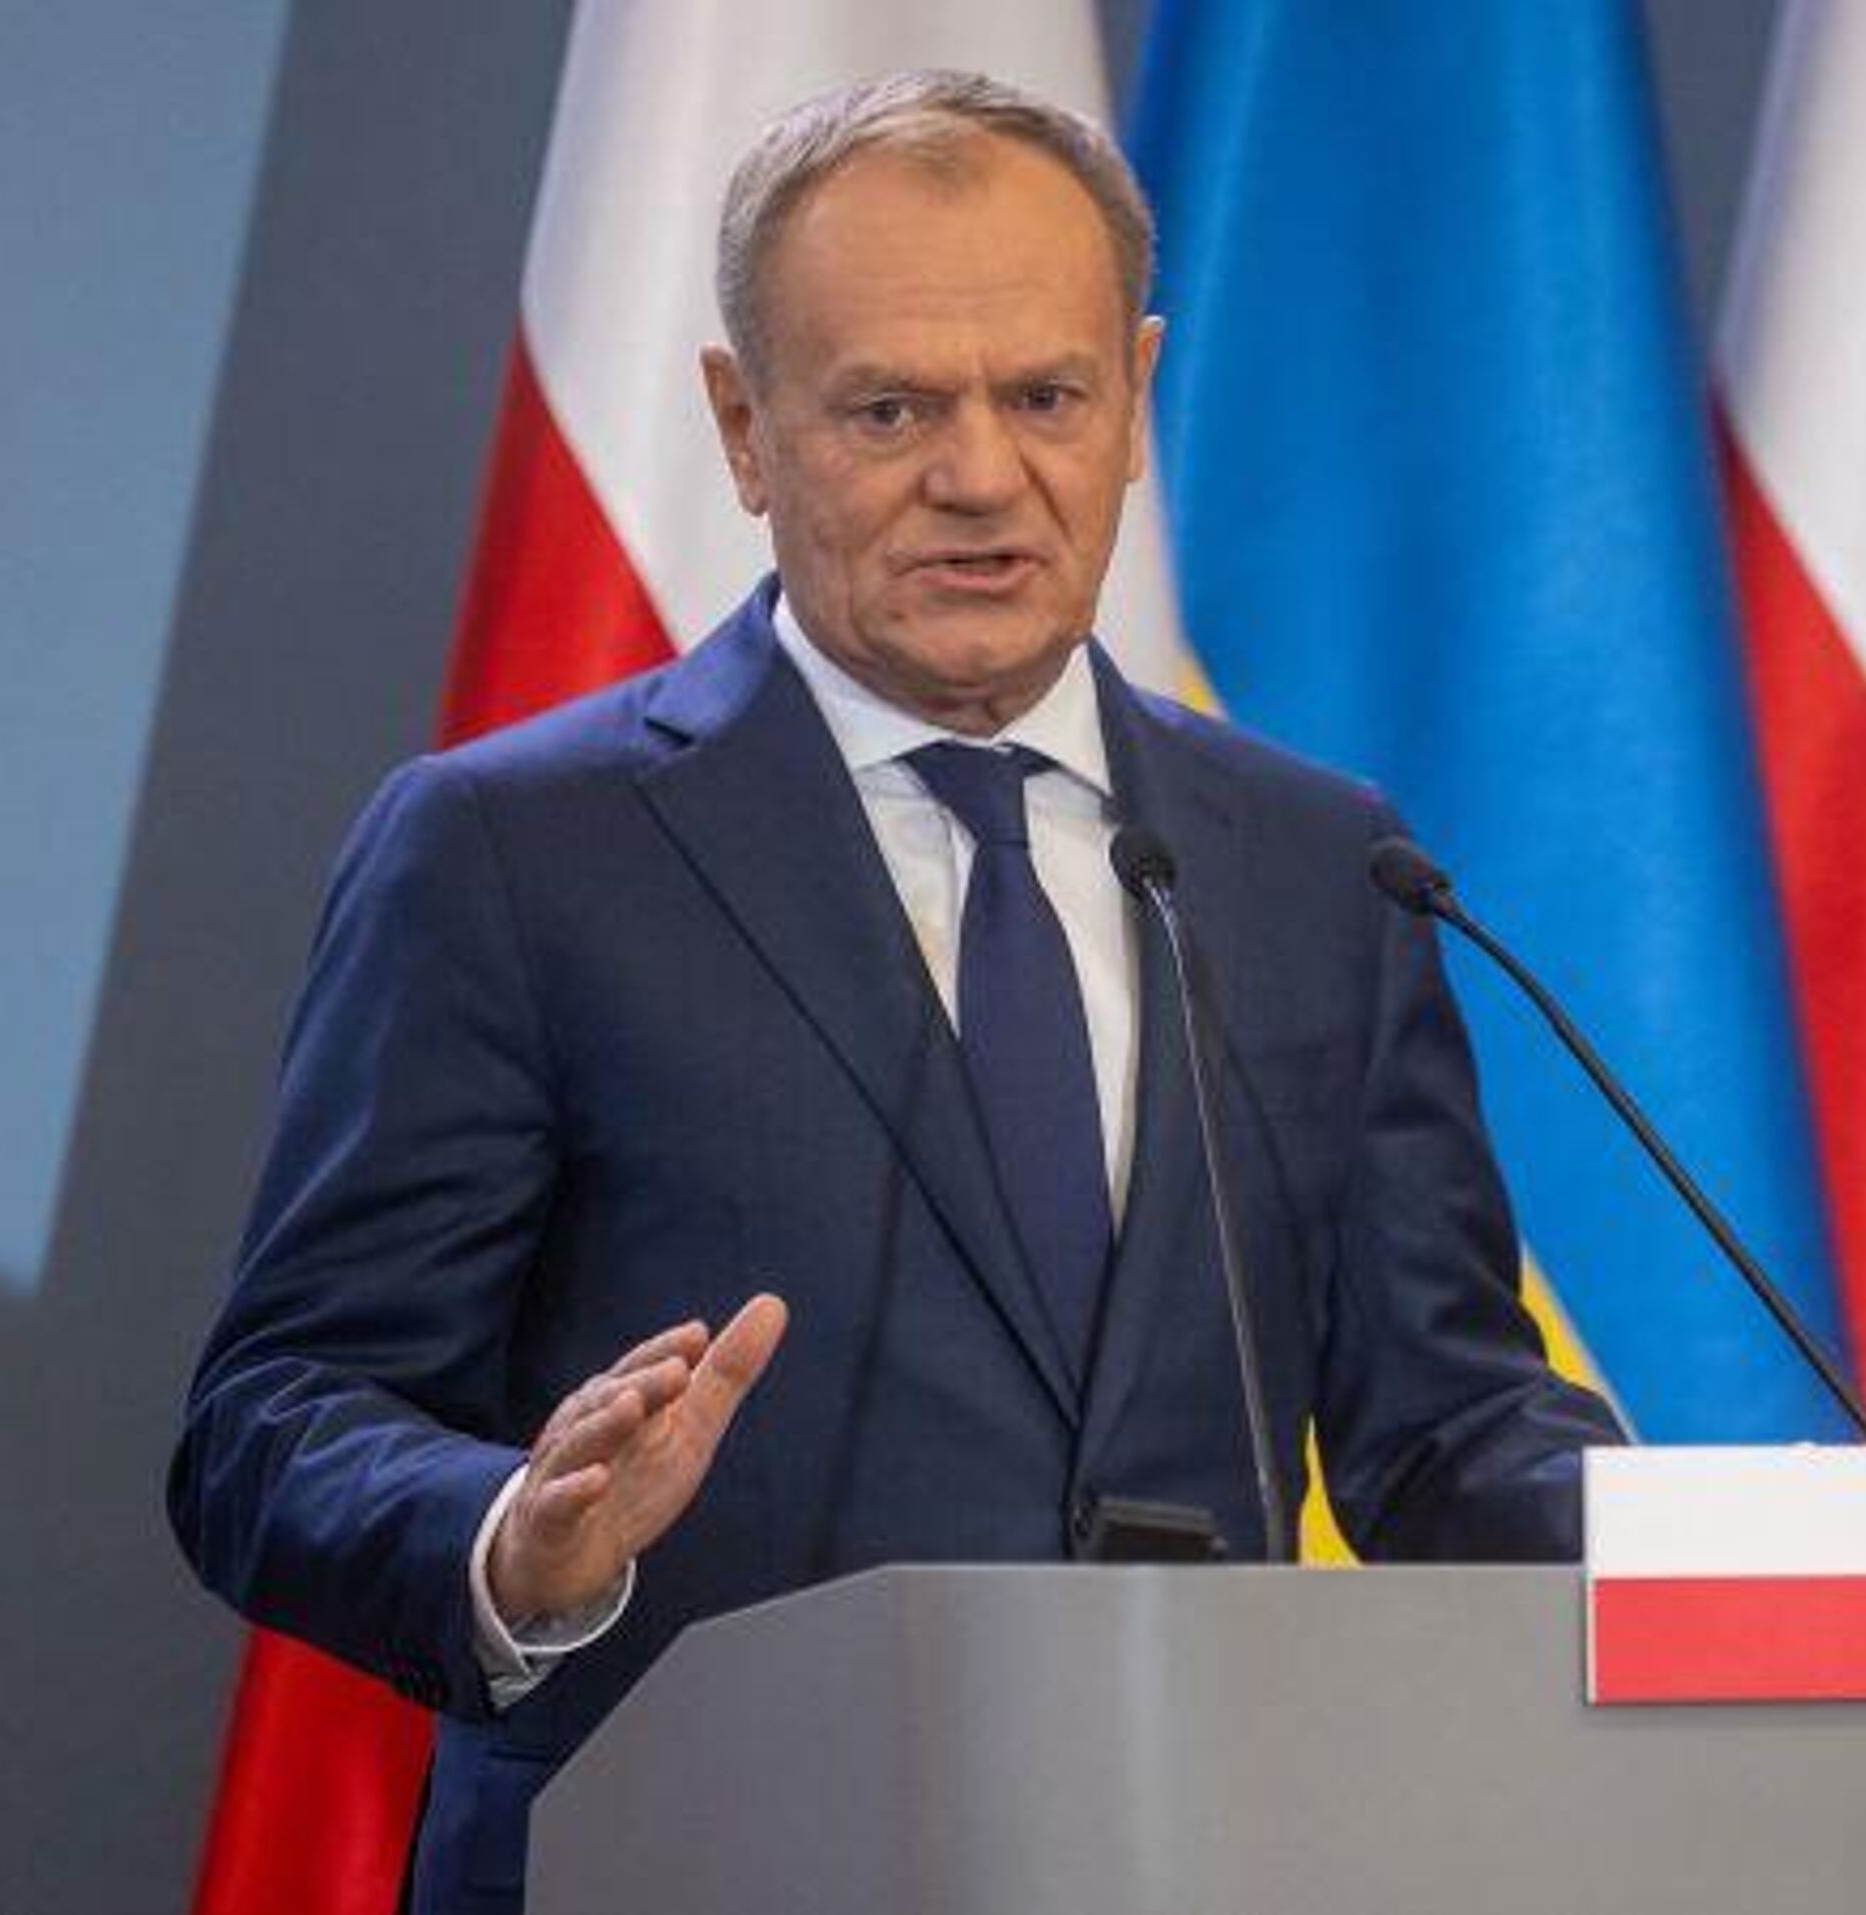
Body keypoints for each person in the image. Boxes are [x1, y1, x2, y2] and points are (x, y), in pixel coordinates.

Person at [170, 70, 1621, 1915]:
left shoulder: (1319, 866)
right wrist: (513, 1540)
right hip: (683, 1867)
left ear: (1136, 398)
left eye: (1047, 397)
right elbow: (276, 1415)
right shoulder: (511, 853)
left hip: (1191, 1856)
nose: (981, 477)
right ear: (744, 426)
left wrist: (1743, 1559)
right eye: (891, 408)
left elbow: (1449, 1426)